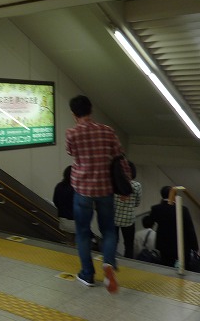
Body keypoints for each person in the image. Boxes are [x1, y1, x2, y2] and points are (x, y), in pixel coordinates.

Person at [66, 95, 129, 293]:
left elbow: (71, 153)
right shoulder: (107, 131)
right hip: (105, 189)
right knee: (108, 230)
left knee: (83, 232)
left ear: (74, 114)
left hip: (83, 190)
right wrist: (126, 187)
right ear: (91, 109)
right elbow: (120, 157)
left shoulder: (72, 133)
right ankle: (108, 263)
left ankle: (87, 274)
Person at [149, 185, 199, 268]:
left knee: (166, 266)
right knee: (184, 267)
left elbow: (148, 224)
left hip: (164, 245)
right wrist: (195, 246)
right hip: (181, 245)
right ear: (174, 195)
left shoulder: (156, 209)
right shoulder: (183, 209)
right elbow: (190, 229)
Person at [114, 161, 141, 258]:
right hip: (128, 220)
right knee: (129, 245)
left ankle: (110, 261)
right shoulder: (137, 186)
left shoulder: (114, 184)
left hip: (114, 218)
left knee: (113, 242)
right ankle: (127, 262)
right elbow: (137, 203)